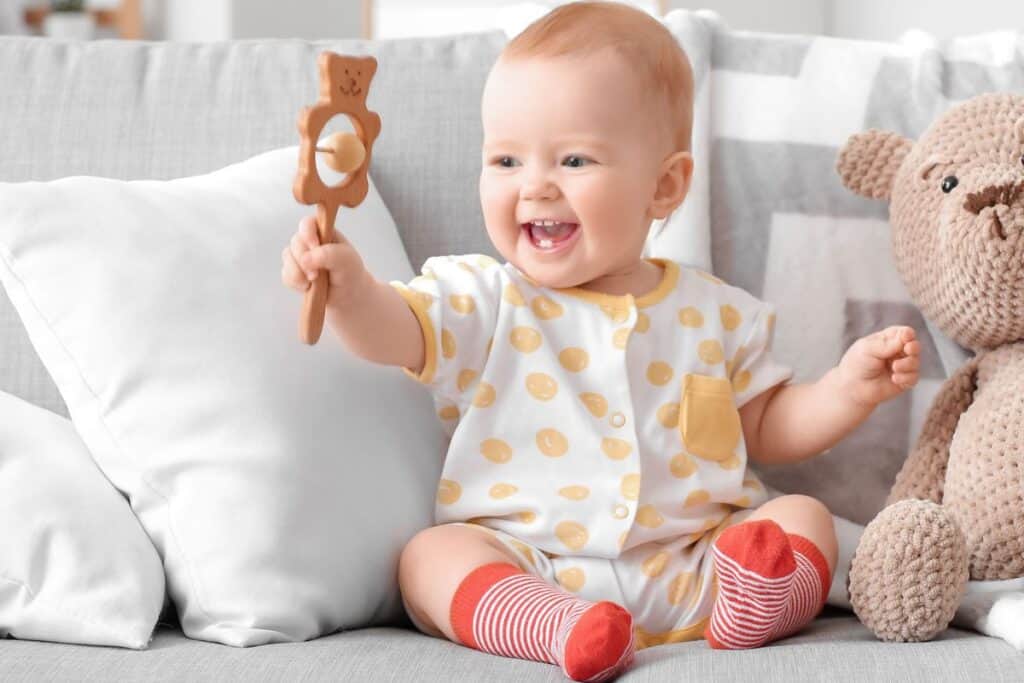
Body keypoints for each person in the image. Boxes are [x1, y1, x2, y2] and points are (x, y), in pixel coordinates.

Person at [280, 3, 920, 680]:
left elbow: (767, 427)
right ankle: (555, 626)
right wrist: (351, 290)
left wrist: (846, 390)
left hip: (699, 565)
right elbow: (397, 333)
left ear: (664, 185)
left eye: (574, 159)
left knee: (803, 517)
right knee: (430, 558)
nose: (534, 185)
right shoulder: (487, 299)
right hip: (533, 563)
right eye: (504, 159)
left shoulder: (715, 312)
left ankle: (759, 600)